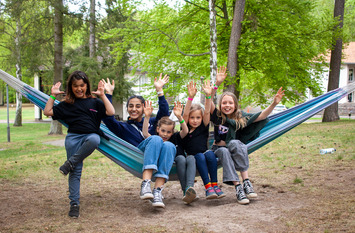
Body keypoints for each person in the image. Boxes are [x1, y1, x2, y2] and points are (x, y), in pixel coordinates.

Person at [43, 71, 115, 218]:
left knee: (95, 140)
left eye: (82, 85)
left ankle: (70, 163)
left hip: (90, 136)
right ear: (71, 87)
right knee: (75, 172)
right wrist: (53, 95)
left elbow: (111, 111)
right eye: (75, 86)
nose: (79, 88)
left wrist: (102, 95)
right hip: (73, 138)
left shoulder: (94, 102)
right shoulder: (66, 104)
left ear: (86, 85)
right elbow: (47, 111)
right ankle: (74, 204)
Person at [210, 66, 285, 204]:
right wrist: (217, 84)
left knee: (235, 143)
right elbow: (208, 101)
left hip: (234, 147)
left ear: (235, 105)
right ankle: (238, 187)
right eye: (224, 103)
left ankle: (246, 182)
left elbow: (261, 116)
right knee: (225, 151)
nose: (227, 105)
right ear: (220, 105)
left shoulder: (241, 117)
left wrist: (274, 104)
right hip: (218, 150)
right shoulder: (218, 116)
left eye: (230, 103)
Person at [101, 74, 176, 208]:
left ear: (143, 108)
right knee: (155, 139)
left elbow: (164, 113)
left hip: (157, 155)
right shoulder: (123, 127)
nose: (134, 109)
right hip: (137, 154)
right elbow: (108, 118)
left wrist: (159, 91)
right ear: (127, 108)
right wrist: (108, 94)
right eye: (131, 106)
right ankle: (146, 184)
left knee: (169, 145)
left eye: (137, 106)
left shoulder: (153, 122)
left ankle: (157, 191)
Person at [142, 101, 196, 204]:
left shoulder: (174, 138)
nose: (165, 134)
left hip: (174, 161)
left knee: (174, 150)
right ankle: (146, 185)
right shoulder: (155, 140)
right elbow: (145, 133)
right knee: (156, 140)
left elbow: (185, 131)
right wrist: (147, 117)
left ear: (172, 132)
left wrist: (180, 117)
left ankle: (160, 191)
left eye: (168, 132)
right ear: (158, 129)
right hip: (155, 161)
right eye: (163, 131)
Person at [182, 80, 226, 199]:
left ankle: (215, 185)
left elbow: (207, 111)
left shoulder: (203, 127)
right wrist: (190, 98)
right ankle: (208, 187)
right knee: (201, 156)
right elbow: (185, 115)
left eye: (198, 117)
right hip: (193, 157)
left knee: (210, 154)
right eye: (192, 118)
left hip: (204, 154)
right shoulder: (185, 129)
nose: (195, 120)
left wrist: (208, 96)